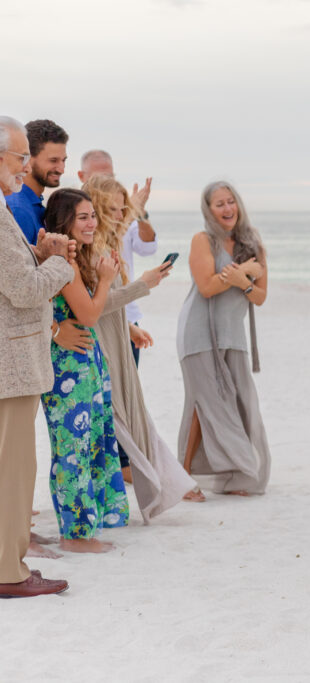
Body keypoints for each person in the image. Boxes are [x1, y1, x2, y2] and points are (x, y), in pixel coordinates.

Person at [83, 175, 196, 519]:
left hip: (115, 339)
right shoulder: (91, 250)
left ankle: (158, 488)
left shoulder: (107, 244)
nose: (119, 215)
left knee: (129, 419)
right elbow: (91, 306)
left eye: (122, 209)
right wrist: (142, 285)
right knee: (118, 422)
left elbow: (102, 304)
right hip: (97, 348)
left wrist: (128, 326)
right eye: (112, 209)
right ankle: (152, 489)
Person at [0, 116, 73, 596]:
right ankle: (10, 572)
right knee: (14, 469)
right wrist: (61, 263)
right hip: (13, 361)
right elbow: (23, 289)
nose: (24, 164)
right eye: (20, 155)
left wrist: (37, 253)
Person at [40, 188, 129, 552]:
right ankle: (74, 535)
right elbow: (90, 315)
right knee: (72, 446)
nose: (92, 223)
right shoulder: (64, 264)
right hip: (67, 369)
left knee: (93, 441)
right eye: (83, 217)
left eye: (93, 215)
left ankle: (91, 522)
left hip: (85, 361)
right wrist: (107, 279)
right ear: (65, 222)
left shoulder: (76, 258)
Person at [176, 181, 269, 500]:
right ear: (208, 210)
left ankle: (236, 474)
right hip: (198, 332)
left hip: (234, 334)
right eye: (219, 204)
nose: (227, 209)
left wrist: (242, 281)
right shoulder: (203, 240)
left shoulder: (253, 243)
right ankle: (182, 478)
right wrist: (243, 272)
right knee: (203, 403)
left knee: (242, 402)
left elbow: (259, 297)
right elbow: (206, 287)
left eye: (231, 202)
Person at [79, 149, 158, 365]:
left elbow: (147, 247)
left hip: (126, 315)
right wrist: (144, 283)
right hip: (99, 321)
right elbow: (103, 240)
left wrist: (139, 213)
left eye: (110, 176)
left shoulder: (121, 213)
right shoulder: (80, 223)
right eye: (99, 176)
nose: (106, 181)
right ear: (81, 176)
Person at [7, 119, 68, 245]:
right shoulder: (18, 210)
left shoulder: (34, 204)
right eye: (53, 160)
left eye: (64, 160)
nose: (61, 169)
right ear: (27, 159)